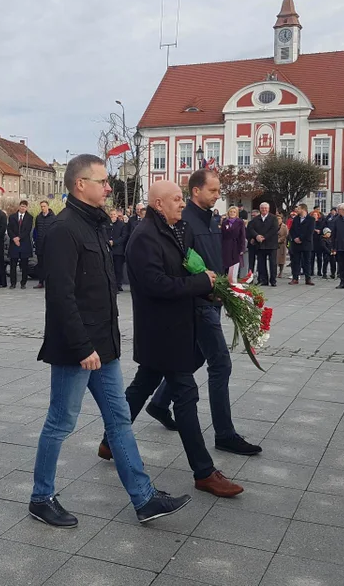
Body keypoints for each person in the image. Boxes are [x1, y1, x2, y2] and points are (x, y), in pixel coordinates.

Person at [31, 156, 191, 527]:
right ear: (79, 184)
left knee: (119, 420)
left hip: (104, 345)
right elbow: (61, 296)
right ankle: (41, 498)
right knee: (61, 422)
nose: (108, 187)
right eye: (102, 181)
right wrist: (82, 346)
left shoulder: (95, 226)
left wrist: (106, 344)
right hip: (79, 349)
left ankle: (144, 498)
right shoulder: (63, 229)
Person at [101, 178, 245, 496]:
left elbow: (184, 272)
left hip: (176, 326)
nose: (182, 204)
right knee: (186, 395)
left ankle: (109, 441)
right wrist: (201, 285)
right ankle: (204, 472)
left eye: (182, 198)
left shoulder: (175, 229)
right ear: (158, 204)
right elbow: (158, 285)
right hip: (161, 331)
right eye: (177, 199)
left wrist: (212, 291)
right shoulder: (144, 237)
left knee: (142, 385)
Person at [146, 170, 262, 457]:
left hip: (213, 298)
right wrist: (206, 289)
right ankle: (224, 434)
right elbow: (182, 265)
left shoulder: (211, 220)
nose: (218, 195)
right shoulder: (184, 223)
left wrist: (226, 287)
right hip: (198, 304)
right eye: (213, 190)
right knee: (220, 364)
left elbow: (212, 259)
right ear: (196, 191)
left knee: (195, 357)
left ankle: (160, 403)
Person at [248, 202, 280, 286]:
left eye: (266, 208)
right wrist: (256, 236)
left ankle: (273, 280)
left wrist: (264, 237)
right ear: (260, 209)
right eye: (262, 208)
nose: (264, 210)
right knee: (261, 264)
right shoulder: (256, 219)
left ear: (268, 209)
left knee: (272, 263)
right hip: (260, 244)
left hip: (271, 244)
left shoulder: (273, 218)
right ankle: (263, 280)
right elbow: (251, 228)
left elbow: (274, 229)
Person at [8, 200, 34, 289]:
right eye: (21, 206)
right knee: (13, 264)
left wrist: (19, 238)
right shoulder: (12, 217)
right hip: (14, 243)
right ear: (19, 206)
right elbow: (9, 229)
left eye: (24, 207)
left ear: (26, 208)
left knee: (24, 265)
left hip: (24, 243)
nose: (23, 208)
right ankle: (13, 283)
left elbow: (27, 230)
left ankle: (23, 283)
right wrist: (14, 238)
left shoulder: (30, 217)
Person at [288, 203, 316, 286]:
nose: (297, 210)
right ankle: (295, 278)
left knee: (307, 261)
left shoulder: (311, 219)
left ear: (303, 209)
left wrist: (301, 238)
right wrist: (295, 238)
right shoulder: (296, 219)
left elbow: (309, 232)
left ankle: (308, 278)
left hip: (306, 243)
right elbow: (292, 230)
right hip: (296, 244)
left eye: (299, 209)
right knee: (295, 261)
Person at [32, 200, 56, 289]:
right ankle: (41, 282)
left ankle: (50, 282)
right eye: (41, 206)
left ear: (48, 206)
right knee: (40, 264)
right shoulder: (38, 218)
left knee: (50, 265)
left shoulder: (53, 218)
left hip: (49, 245)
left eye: (44, 206)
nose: (43, 208)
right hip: (40, 245)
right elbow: (36, 230)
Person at [220, 206, 246, 282]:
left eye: (234, 212)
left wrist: (242, 248)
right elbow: (222, 234)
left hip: (236, 245)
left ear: (236, 213)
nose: (232, 213)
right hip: (226, 245)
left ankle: (233, 280)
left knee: (235, 264)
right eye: (231, 212)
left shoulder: (240, 222)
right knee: (226, 263)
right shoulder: (225, 222)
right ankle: (225, 280)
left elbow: (242, 235)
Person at [107, 208, 127, 292]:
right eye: (111, 214)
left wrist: (114, 242)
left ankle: (118, 285)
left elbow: (123, 237)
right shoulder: (106, 224)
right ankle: (112, 285)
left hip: (118, 251)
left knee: (118, 269)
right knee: (110, 269)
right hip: (109, 250)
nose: (113, 216)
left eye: (114, 214)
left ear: (117, 215)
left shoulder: (122, 225)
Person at [246, 209, 260, 280]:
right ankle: (250, 275)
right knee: (251, 261)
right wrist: (249, 239)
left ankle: (258, 273)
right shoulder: (250, 223)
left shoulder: (261, 223)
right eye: (252, 215)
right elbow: (247, 233)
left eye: (254, 215)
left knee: (260, 260)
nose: (253, 216)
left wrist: (255, 239)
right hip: (251, 244)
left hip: (259, 244)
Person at [275, 210, 289, 280]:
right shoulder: (273, 225)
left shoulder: (284, 226)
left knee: (281, 259)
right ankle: (274, 271)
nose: (278, 220)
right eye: (277, 219)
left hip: (281, 244)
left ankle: (280, 272)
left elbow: (285, 235)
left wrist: (280, 240)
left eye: (279, 219)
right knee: (274, 259)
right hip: (274, 244)